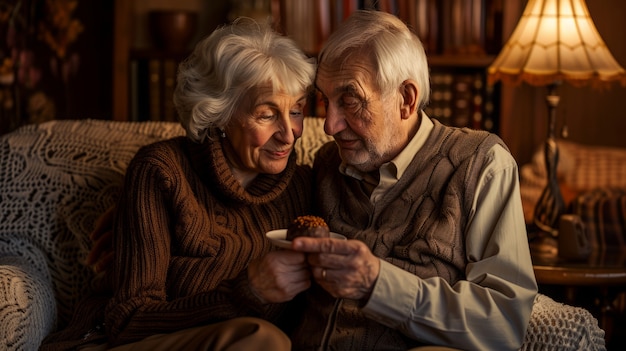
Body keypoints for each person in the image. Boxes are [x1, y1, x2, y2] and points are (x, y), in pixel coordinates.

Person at [40, 18, 316, 350]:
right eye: (267, 115)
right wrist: (246, 293)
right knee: (262, 339)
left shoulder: (305, 187)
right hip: (122, 343)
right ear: (220, 113)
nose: (289, 134)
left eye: (296, 111)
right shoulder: (162, 172)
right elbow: (127, 321)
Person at [286, 10, 538, 350]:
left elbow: (504, 324)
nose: (330, 126)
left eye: (349, 101)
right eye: (325, 101)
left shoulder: (481, 164)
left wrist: (377, 284)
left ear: (406, 99)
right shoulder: (326, 163)